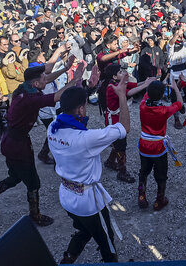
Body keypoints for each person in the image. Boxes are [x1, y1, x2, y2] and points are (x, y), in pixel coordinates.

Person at [0, 60, 82, 226]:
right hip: (18, 145)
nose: (46, 81)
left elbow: (46, 78)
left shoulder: (25, 88)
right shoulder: (30, 99)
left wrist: (65, 69)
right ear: (36, 83)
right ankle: (35, 215)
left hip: (12, 141)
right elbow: (58, 96)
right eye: (43, 80)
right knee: (33, 182)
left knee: (15, 177)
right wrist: (75, 80)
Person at [48, 76, 131, 264]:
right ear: (80, 109)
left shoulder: (53, 126)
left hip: (66, 195)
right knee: (106, 241)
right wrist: (122, 96)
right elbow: (125, 127)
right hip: (88, 202)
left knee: (83, 230)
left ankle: (67, 260)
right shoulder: (86, 139)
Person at [101, 64, 153, 183]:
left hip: (118, 116)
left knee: (118, 142)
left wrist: (145, 81)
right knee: (121, 143)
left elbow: (133, 85)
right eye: (120, 72)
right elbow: (128, 93)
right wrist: (146, 85)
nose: (123, 73)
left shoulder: (118, 83)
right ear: (114, 76)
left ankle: (110, 162)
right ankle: (122, 171)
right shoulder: (112, 87)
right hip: (114, 119)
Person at [137, 78, 183, 210]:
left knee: (143, 171)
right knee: (161, 174)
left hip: (144, 145)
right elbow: (180, 103)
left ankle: (141, 195)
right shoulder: (164, 110)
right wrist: (175, 88)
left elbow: (148, 93)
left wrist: (153, 84)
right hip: (158, 147)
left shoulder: (142, 106)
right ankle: (159, 199)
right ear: (162, 95)